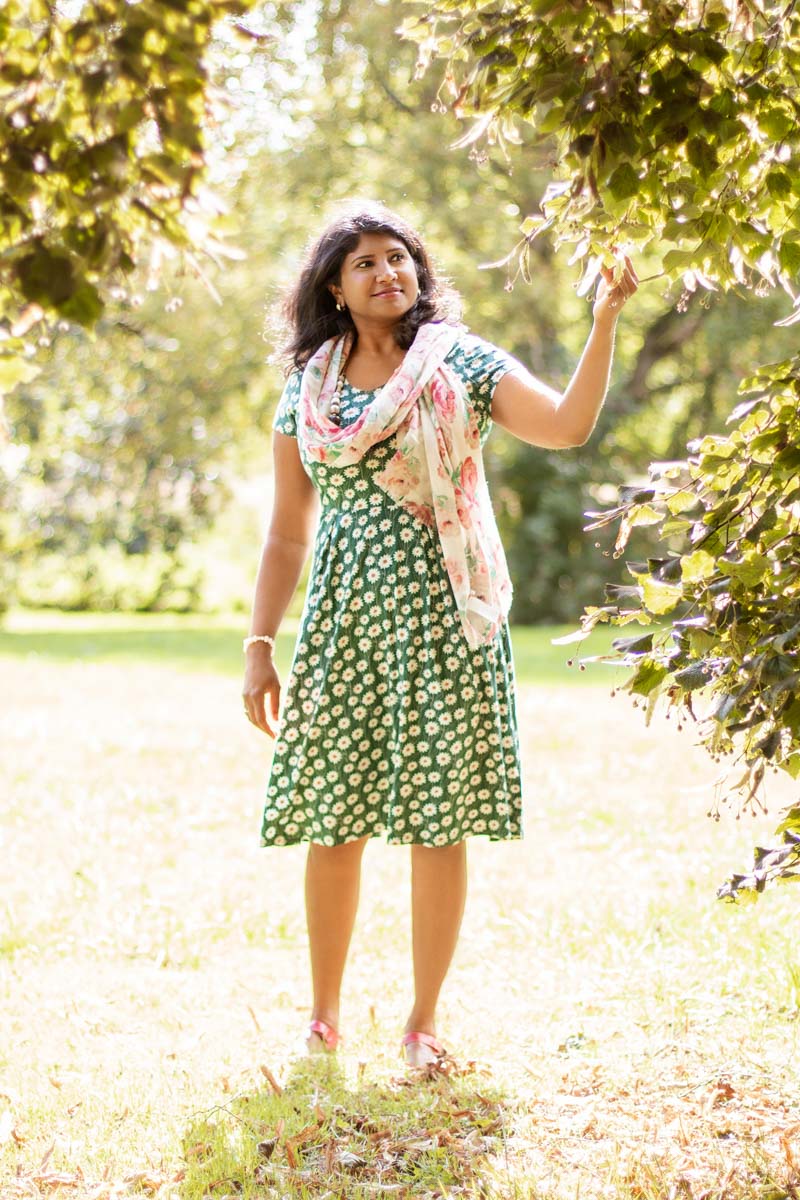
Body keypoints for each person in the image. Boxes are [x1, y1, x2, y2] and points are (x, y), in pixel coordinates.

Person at [242, 202, 637, 1067]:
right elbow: (284, 534)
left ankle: (422, 1025)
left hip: (447, 618)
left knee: (438, 820)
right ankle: (322, 1020)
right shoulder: (309, 388)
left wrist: (605, 319)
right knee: (333, 819)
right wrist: (260, 644)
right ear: (335, 290)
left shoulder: (462, 363)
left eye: (400, 258)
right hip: (344, 623)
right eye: (365, 264)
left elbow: (568, 426)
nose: (388, 273)